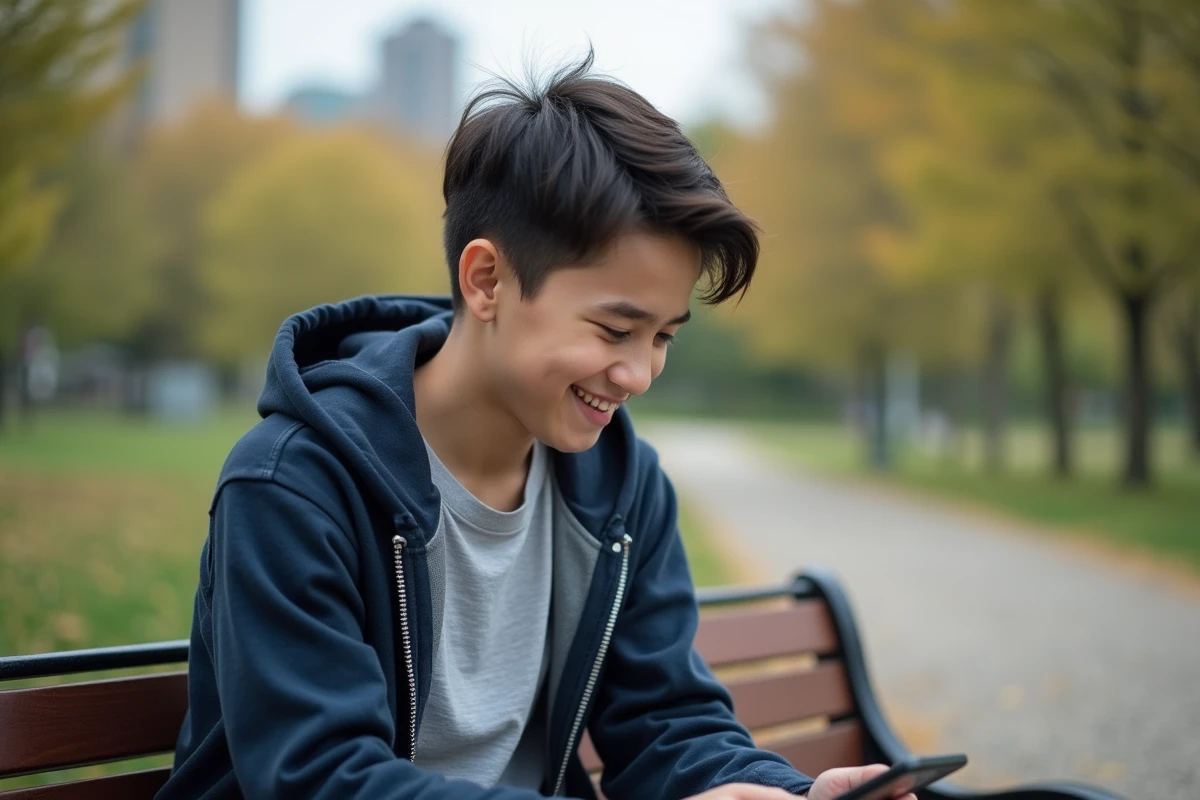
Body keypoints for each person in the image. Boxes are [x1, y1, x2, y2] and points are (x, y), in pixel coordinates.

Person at [158, 53, 916, 800]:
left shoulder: (621, 487)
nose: (639, 374)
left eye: (663, 337)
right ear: (486, 280)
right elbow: (320, 778)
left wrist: (779, 793)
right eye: (616, 330)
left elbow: (665, 724)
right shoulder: (294, 485)